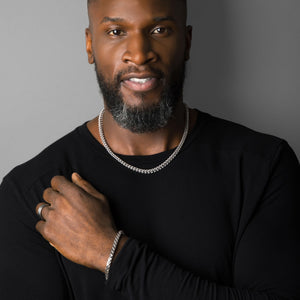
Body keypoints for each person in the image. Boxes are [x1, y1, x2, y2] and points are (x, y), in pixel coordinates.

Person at [0, 0, 299, 299]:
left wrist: (112, 254)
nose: (140, 54)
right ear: (90, 45)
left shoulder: (263, 166)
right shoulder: (32, 193)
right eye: (116, 31)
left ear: (186, 42)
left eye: (159, 29)